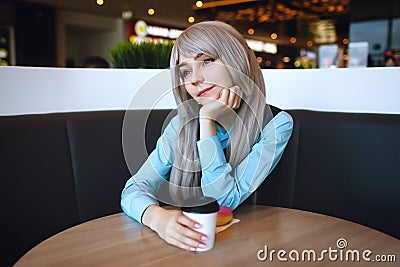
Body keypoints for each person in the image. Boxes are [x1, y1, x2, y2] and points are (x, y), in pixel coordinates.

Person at [121, 21, 293, 252]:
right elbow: (134, 188)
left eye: (207, 61)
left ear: (236, 60)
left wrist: (206, 121)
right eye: (186, 71)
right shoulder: (179, 126)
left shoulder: (275, 124)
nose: (194, 79)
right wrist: (157, 219)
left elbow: (221, 203)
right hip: (183, 248)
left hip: (250, 248)